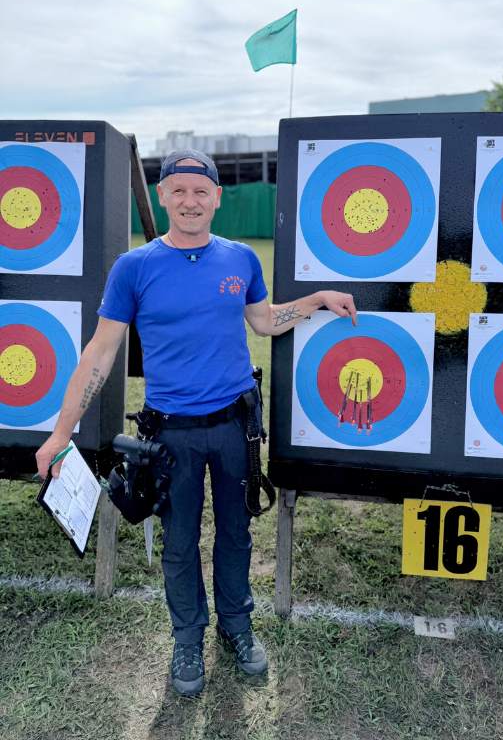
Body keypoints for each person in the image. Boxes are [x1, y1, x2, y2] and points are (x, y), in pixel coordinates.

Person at [35, 149, 357, 697]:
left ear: (217, 198)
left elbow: (264, 321)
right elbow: (100, 353)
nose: (190, 202)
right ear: (162, 195)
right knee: (180, 542)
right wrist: (60, 434)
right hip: (170, 433)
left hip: (234, 427)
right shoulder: (134, 267)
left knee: (236, 532)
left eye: (200, 191)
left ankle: (237, 625)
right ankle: (188, 637)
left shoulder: (240, 259)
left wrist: (318, 300)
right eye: (179, 191)